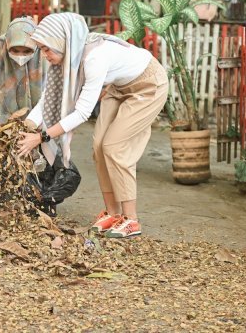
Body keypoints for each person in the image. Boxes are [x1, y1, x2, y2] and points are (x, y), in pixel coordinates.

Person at [17, 12, 168, 238]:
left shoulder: (92, 59)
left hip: (148, 85)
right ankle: (113, 213)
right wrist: (28, 125)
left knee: (114, 147)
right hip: (118, 88)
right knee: (99, 147)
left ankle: (132, 220)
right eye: (42, 49)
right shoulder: (68, 56)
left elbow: (82, 112)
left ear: (61, 41)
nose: (44, 55)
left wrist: (41, 137)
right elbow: (48, 98)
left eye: (47, 48)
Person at [0, 16, 79, 216]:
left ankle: (44, 199)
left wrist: (30, 126)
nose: (20, 55)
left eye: (27, 50)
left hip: (45, 109)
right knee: (14, 156)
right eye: (15, 50)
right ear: (7, 44)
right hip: (9, 111)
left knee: (46, 154)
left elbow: (49, 96)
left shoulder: (46, 52)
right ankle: (23, 198)